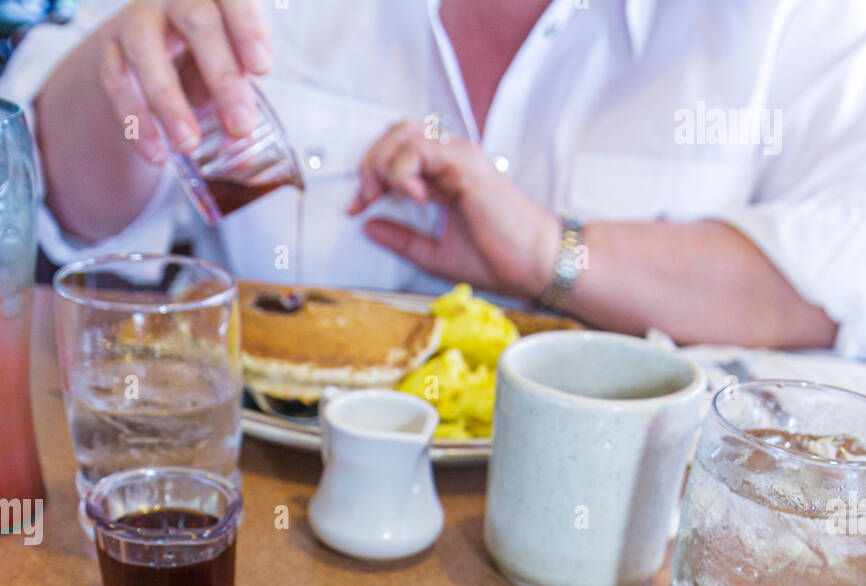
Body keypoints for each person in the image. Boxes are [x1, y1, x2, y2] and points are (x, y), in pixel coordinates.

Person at [3, 0, 866, 349]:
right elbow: (50, 210)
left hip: (631, 576)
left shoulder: (798, 19)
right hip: (255, 517)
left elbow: (836, 276)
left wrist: (547, 255)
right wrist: (125, 74)